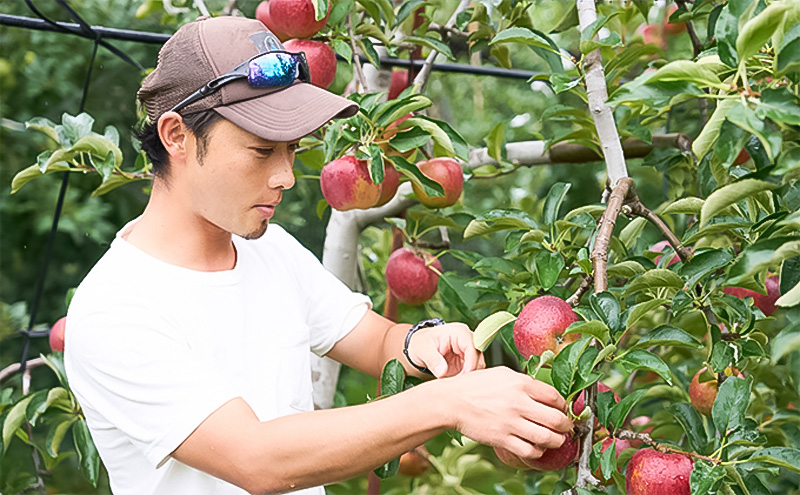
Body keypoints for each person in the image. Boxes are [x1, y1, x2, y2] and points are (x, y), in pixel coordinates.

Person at [64, 15, 573, 495]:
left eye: (293, 150)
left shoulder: (270, 250)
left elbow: (377, 343)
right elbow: (257, 459)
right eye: (262, 151)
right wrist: (447, 403)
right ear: (177, 135)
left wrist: (425, 343)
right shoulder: (115, 311)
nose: (285, 176)